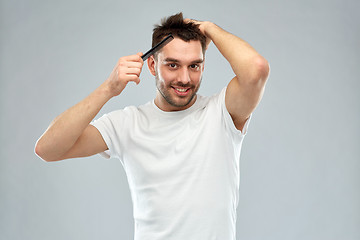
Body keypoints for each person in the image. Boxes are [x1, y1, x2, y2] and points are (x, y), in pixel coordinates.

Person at [35, 12, 269, 240]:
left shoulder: (222, 113)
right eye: (173, 65)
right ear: (151, 65)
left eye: (194, 66)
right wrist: (108, 89)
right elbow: (48, 149)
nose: (185, 79)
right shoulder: (127, 123)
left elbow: (256, 69)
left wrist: (209, 28)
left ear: (203, 66)